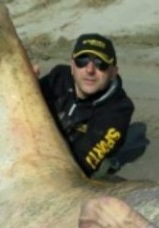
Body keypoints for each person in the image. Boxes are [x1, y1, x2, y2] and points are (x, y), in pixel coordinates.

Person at [37, 33, 146, 178]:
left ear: (113, 72)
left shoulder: (118, 110)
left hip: (71, 167)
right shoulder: (58, 77)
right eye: (82, 60)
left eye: (100, 62)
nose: (89, 70)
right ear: (72, 66)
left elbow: (82, 164)